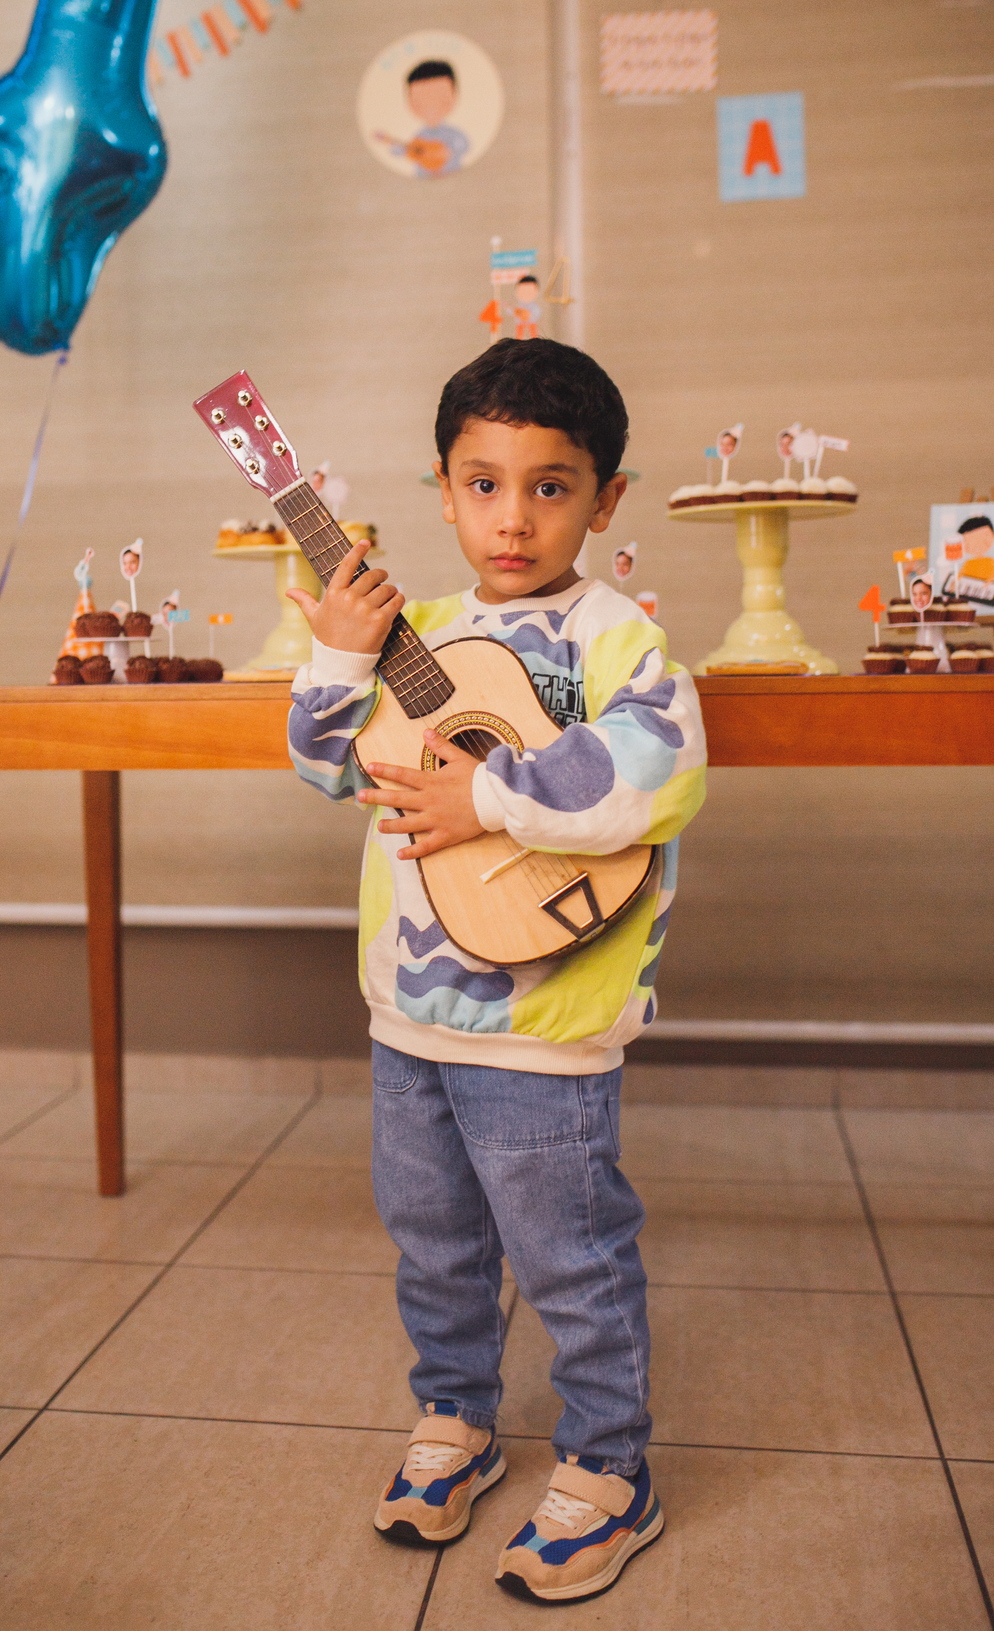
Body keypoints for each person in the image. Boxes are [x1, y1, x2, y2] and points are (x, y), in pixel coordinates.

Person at [285, 339, 706, 1605]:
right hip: (409, 1012)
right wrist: (341, 658)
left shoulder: (620, 636)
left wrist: (494, 796)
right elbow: (324, 765)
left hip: (546, 1017)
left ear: (606, 498)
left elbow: (659, 772)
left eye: (550, 486)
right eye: (481, 485)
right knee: (435, 1243)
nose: (511, 517)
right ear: (443, 485)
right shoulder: (429, 638)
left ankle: (610, 1466)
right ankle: (456, 1416)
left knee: (570, 1253)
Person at [374, 59, 469, 177]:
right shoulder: (420, 135)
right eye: (420, 100)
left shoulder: (452, 133)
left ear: (453, 98)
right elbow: (410, 151)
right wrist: (393, 145)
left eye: (438, 98)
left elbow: (463, 145)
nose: (429, 105)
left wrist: (447, 151)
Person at [958, 515, 994, 583]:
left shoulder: (991, 562)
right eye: (968, 540)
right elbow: (960, 578)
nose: (977, 544)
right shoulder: (968, 564)